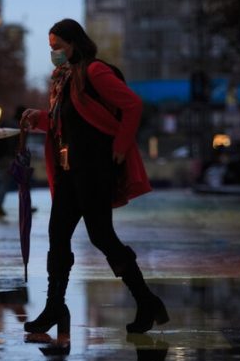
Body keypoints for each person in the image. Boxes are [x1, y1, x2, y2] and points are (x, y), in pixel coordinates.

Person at [20, 18, 168, 335]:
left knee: (101, 236)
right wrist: (40, 119)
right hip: (68, 172)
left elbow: (132, 104)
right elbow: (70, 122)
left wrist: (120, 146)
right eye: (50, 48)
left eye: (58, 46)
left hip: (94, 170)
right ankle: (55, 306)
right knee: (58, 236)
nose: (54, 53)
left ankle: (146, 300)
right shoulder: (62, 78)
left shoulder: (94, 71)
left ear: (75, 43)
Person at [0, 105, 25, 217]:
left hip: (3, 158)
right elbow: (17, 145)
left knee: (4, 182)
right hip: (12, 158)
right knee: (22, 182)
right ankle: (25, 205)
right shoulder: (17, 126)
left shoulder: (6, 123)